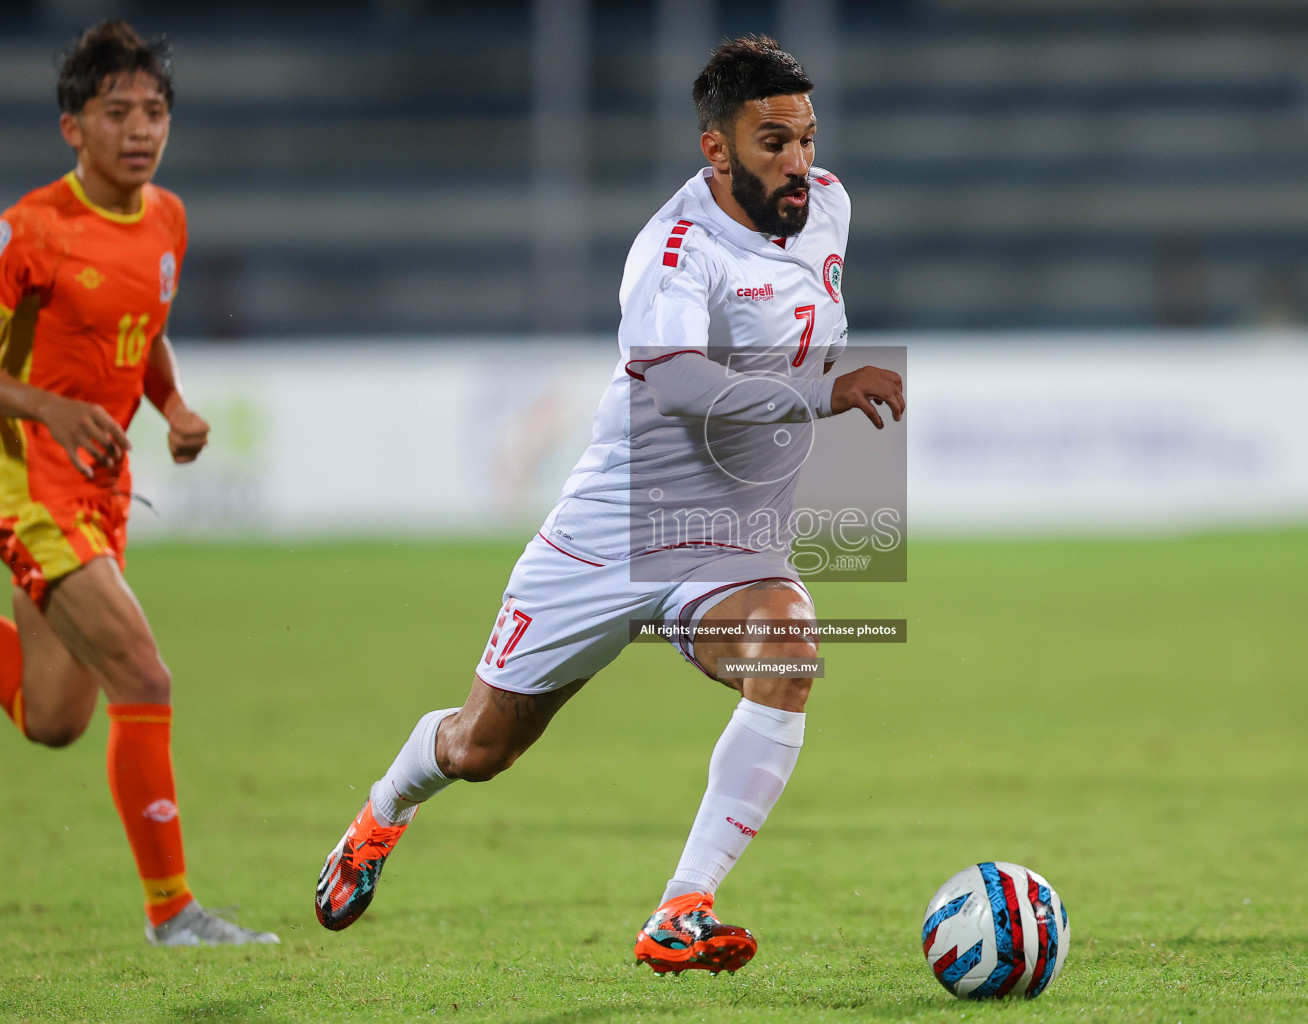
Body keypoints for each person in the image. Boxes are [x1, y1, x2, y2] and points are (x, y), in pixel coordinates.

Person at [314, 35, 903, 975]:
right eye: (773, 144)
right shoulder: (673, 250)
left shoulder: (828, 206)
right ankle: (384, 810)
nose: (798, 164)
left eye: (806, 139)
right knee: (481, 749)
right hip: (612, 531)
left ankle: (683, 906)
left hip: (730, 540)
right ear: (715, 148)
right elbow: (679, 386)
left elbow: (792, 342)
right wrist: (823, 388)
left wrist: (819, 382)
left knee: (790, 653)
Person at [0, 21, 278, 948]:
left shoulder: (167, 218)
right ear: (72, 127)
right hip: (27, 481)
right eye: (116, 111)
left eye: (154, 111)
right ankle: (175, 914)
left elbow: (142, 325)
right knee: (142, 673)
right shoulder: (30, 230)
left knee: (52, 718)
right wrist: (45, 408)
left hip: (100, 484)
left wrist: (173, 407)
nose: (140, 129)